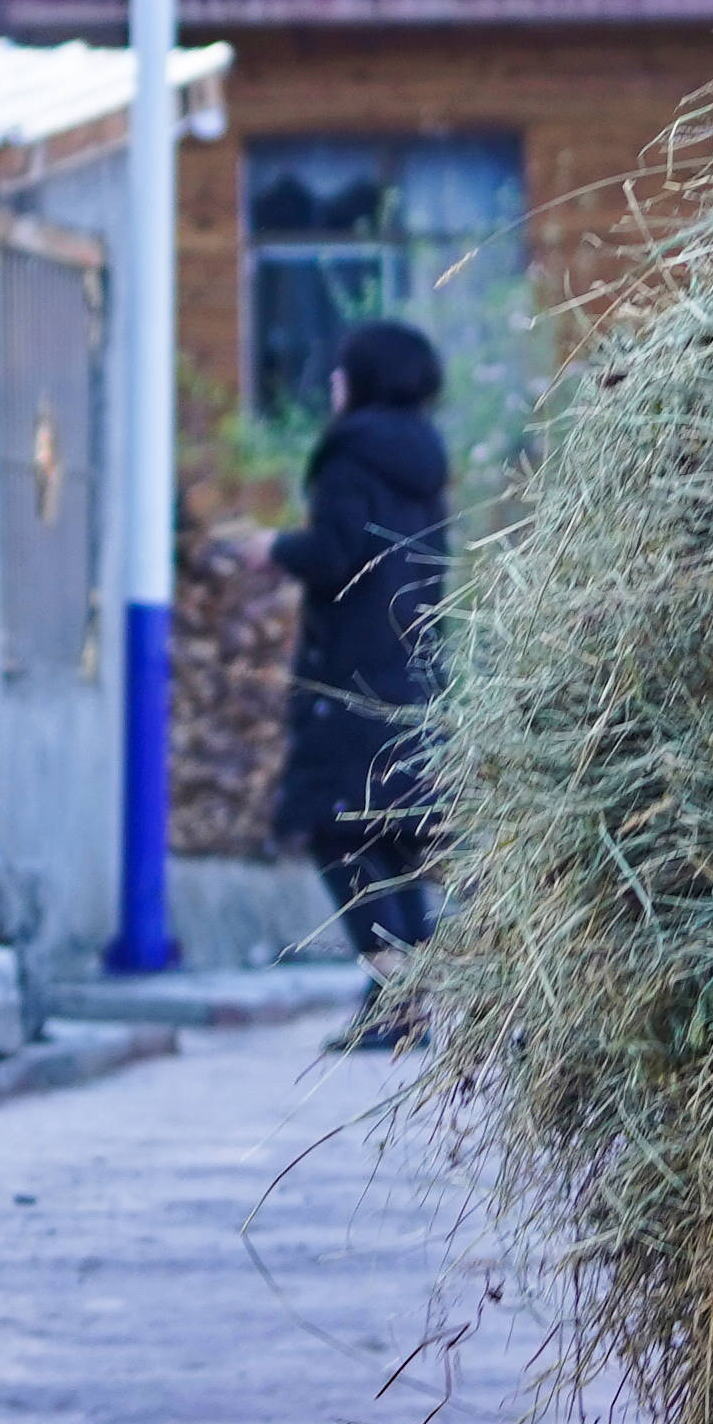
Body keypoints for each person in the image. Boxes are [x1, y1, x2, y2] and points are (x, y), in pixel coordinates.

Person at [267, 320, 454, 1039]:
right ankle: (401, 999)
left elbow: (339, 552)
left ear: (365, 378)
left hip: (350, 674)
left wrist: (276, 547)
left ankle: (397, 996)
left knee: (336, 830)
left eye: (341, 371)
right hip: (411, 670)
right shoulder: (423, 463)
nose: (333, 385)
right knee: (394, 837)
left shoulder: (351, 457)